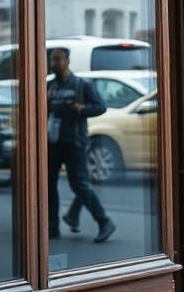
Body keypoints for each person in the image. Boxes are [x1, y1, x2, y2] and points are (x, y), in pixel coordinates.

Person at [47, 47, 116, 242]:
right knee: (48, 185)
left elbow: (100, 106)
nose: (55, 63)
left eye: (58, 59)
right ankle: (52, 227)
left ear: (67, 61)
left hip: (75, 142)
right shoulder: (50, 86)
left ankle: (104, 221)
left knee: (79, 184)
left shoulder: (81, 85)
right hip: (53, 143)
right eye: (53, 60)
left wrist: (83, 108)